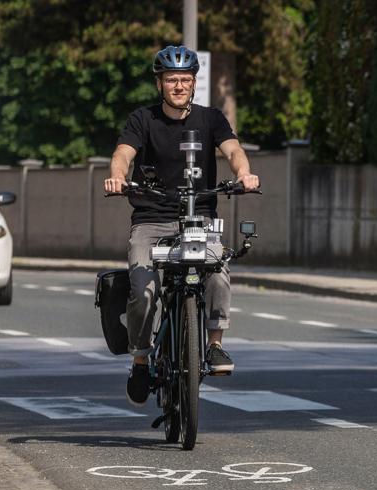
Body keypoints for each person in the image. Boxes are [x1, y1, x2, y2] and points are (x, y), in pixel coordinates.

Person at [103, 45, 260, 405]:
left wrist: (244, 173)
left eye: (185, 80)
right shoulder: (143, 120)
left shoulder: (210, 119)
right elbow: (122, 155)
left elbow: (233, 150)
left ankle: (215, 345)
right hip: (151, 219)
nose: (178, 86)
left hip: (198, 216)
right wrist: (117, 178)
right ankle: (141, 359)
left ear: (193, 83)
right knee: (143, 290)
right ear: (160, 84)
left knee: (218, 271)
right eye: (171, 79)